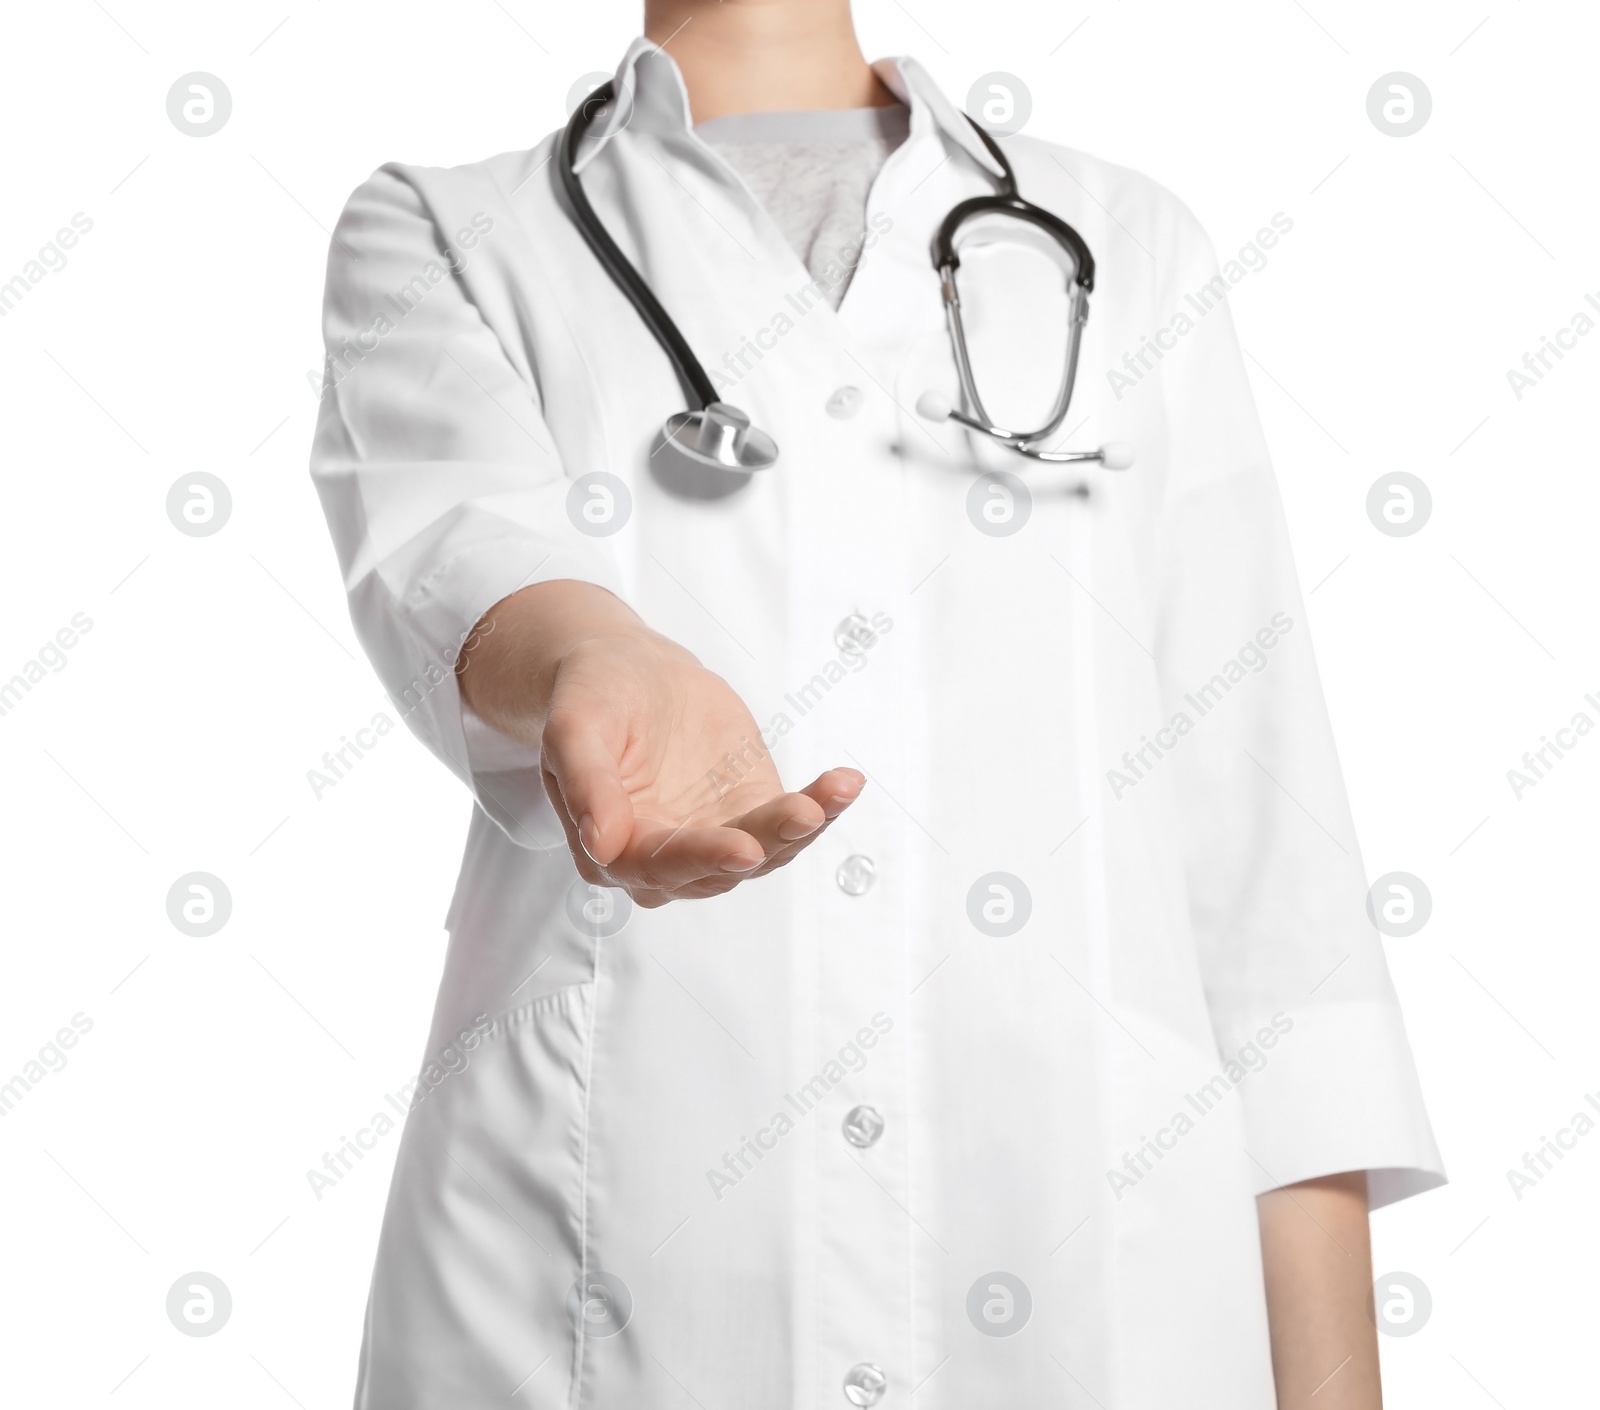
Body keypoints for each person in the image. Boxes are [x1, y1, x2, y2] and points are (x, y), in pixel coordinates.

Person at [310, 3, 1444, 1406]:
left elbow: (1276, 905)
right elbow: (462, 546)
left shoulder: (1127, 246)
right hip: (603, 1286)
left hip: (1097, 1287)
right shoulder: (443, 232)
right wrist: (593, 649)